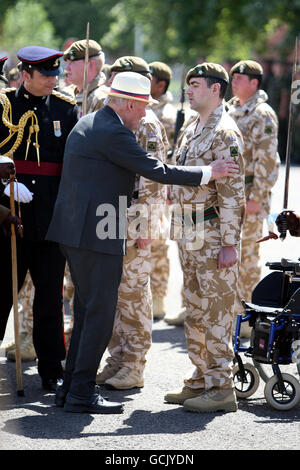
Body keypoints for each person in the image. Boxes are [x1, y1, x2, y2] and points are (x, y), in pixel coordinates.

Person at [46, 71, 239, 414]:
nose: (143, 114)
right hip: (96, 233)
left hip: (79, 232)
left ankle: (71, 387)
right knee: (99, 314)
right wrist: (211, 172)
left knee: (87, 311)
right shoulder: (113, 130)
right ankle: (80, 392)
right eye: (142, 107)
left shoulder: (90, 121)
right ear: (129, 104)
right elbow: (156, 170)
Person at [164, 63, 245, 413]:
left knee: (216, 310)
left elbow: (232, 191)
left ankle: (221, 387)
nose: (189, 90)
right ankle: (200, 378)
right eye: (188, 85)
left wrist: (230, 243)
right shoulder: (193, 126)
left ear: (216, 89)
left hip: (213, 234)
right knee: (195, 308)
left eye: (195, 85)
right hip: (190, 230)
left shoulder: (225, 132)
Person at [0, 46, 78, 391]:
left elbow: (73, 167)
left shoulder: (65, 108)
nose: (52, 80)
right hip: (8, 219)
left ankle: (52, 369)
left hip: (49, 217)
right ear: (25, 75)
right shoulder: (3, 106)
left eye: (55, 74)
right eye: (45, 75)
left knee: (49, 298)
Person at [95, 56, 169, 390]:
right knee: (115, 294)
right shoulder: (115, 117)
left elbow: (154, 180)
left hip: (135, 218)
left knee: (135, 294)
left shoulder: (148, 123)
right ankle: (118, 359)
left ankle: (135, 364)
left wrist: (145, 228)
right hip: (112, 217)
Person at [227, 60, 280, 337]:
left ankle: (247, 318)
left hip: (249, 197)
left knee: (246, 257)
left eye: (240, 78)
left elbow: (268, 160)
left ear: (254, 83)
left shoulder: (262, 113)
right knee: (229, 255)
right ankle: (232, 311)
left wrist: (257, 198)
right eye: (233, 77)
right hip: (229, 196)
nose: (234, 82)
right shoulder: (232, 109)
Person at [147, 61, 177, 320]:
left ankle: (158, 296)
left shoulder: (167, 115)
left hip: (162, 187)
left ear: (161, 84)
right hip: (146, 186)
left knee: (157, 244)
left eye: (151, 77)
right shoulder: (146, 107)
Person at [63, 39, 108, 117]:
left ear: (90, 65)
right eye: (67, 63)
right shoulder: (67, 94)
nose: (67, 68)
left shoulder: (103, 99)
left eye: (72, 62)